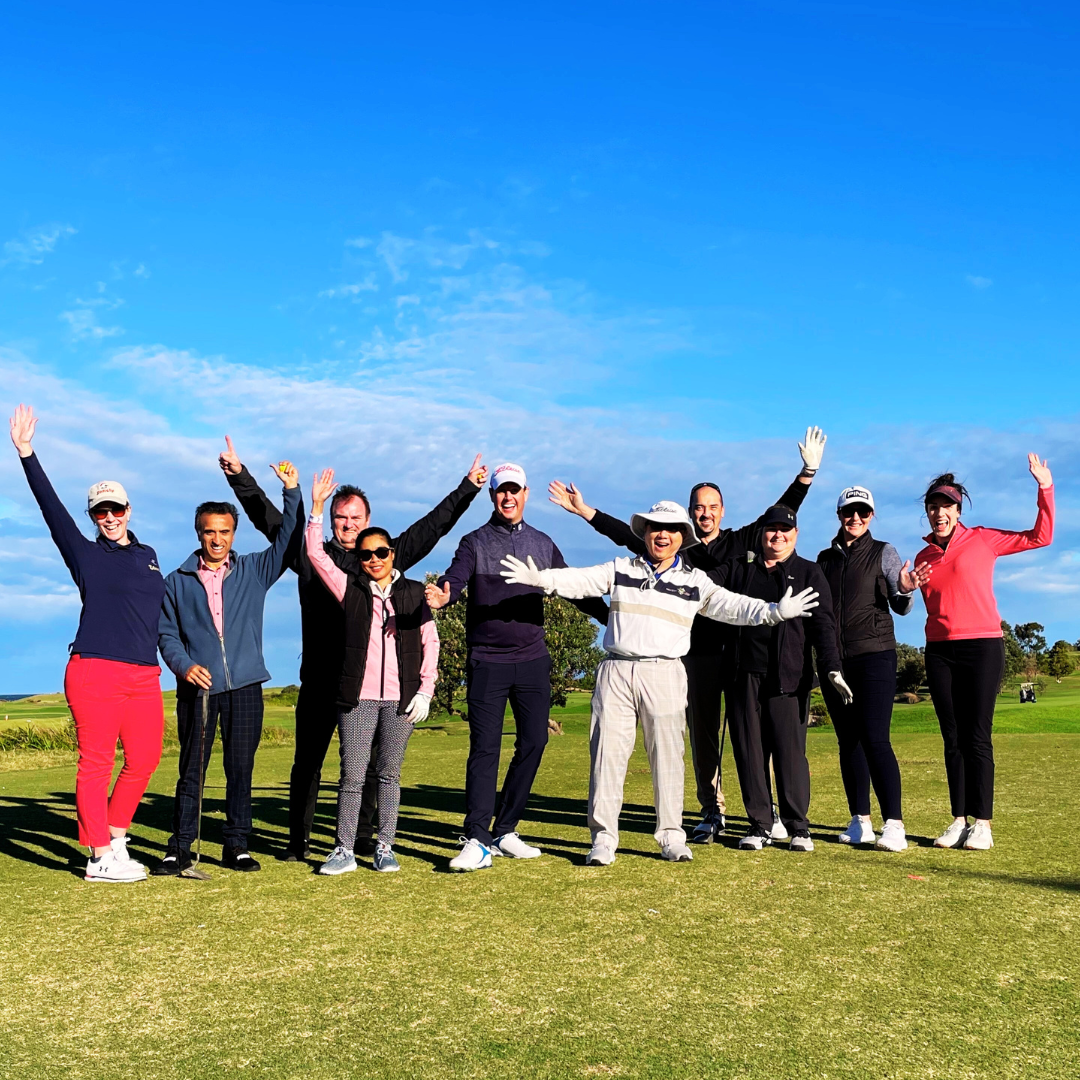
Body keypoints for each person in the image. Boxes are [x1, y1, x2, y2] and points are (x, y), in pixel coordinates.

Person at [548, 426, 828, 844]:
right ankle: (711, 811)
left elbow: (781, 512)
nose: (705, 513)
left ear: (722, 510)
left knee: (747, 738)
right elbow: (630, 538)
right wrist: (588, 513)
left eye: (712, 507)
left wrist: (806, 473)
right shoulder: (681, 551)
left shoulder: (739, 541)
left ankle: (766, 814)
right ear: (690, 515)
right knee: (700, 739)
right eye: (698, 508)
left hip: (733, 655)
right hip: (691, 655)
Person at [500, 500, 820, 864]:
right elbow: (582, 579)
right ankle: (603, 839)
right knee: (606, 756)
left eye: (670, 530)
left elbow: (733, 606)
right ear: (646, 533)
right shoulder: (621, 568)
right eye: (655, 528)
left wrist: (772, 612)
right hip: (617, 671)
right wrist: (544, 580)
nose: (662, 535)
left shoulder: (694, 581)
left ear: (682, 537)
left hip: (666, 671)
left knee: (668, 757)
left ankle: (671, 836)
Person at [217, 437, 486, 861]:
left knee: (373, 766)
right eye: (340, 518)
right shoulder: (311, 556)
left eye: (354, 518)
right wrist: (239, 475)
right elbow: (269, 518)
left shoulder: (380, 557)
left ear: (369, 521)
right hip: (321, 679)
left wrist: (467, 488)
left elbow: (432, 527)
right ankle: (298, 841)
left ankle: (363, 839)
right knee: (307, 764)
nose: (346, 525)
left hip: (369, 687)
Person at [425, 462, 609, 871]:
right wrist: (444, 596)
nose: (508, 497)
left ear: (525, 495)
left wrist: (612, 617)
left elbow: (573, 588)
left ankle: (504, 829)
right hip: (487, 661)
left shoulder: (543, 544)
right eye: (501, 491)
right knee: (485, 749)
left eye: (515, 490)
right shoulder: (474, 542)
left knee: (534, 744)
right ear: (493, 496)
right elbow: (455, 579)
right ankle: (476, 837)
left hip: (531, 661)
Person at [9, 404, 165, 883]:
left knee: (144, 760)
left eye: (117, 508)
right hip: (94, 670)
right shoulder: (83, 552)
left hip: (144, 673)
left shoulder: (149, 556)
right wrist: (27, 454)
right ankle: (98, 857)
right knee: (96, 762)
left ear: (129, 510)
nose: (110, 517)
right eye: (101, 511)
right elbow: (50, 508)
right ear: (93, 517)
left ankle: (114, 835)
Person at [154, 461, 301, 874]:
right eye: (209, 531)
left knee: (240, 769)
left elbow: (289, 540)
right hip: (197, 689)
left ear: (234, 533)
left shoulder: (255, 570)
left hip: (246, 687)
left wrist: (292, 492)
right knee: (191, 770)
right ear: (198, 533)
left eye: (224, 531)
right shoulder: (176, 580)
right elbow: (166, 635)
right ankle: (180, 847)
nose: (217, 539)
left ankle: (236, 845)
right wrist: (183, 667)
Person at [303, 470, 440, 874]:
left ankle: (385, 846)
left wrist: (426, 691)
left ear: (392, 554)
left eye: (381, 552)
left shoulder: (414, 593)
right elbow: (315, 555)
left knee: (389, 776)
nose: (374, 560)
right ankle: (343, 849)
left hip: (402, 700)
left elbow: (431, 642)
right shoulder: (351, 588)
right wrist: (315, 509)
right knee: (352, 775)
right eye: (366, 555)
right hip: (358, 697)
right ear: (360, 560)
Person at [915, 456, 1054, 851]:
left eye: (946, 506)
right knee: (952, 737)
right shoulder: (923, 557)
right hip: (939, 650)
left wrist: (1044, 488)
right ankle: (958, 819)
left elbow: (1039, 536)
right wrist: (905, 587)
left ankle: (983, 823)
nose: (938, 512)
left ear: (958, 511)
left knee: (977, 736)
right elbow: (908, 597)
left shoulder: (982, 539)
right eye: (932, 506)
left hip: (982, 646)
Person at [713, 505, 850, 852]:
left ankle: (798, 827)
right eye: (771, 529)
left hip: (789, 676)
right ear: (762, 533)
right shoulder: (741, 569)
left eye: (785, 530)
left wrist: (831, 666)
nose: (778, 535)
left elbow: (823, 625)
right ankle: (759, 823)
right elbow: (704, 586)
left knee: (790, 754)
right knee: (749, 751)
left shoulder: (809, 572)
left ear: (796, 535)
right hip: (743, 674)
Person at [817, 487, 928, 852]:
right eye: (849, 512)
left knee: (875, 738)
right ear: (839, 515)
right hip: (836, 662)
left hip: (875, 656)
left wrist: (907, 589)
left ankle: (893, 824)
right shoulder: (824, 560)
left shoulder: (885, 552)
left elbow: (901, 606)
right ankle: (860, 821)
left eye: (863, 513)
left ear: (871, 517)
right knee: (848, 740)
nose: (856, 519)